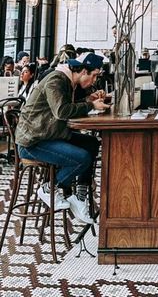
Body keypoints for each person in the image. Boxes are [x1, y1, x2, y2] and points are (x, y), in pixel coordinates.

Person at [15, 52, 111, 225]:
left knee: (91, 143)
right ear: (83, 71)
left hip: (49, 134)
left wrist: (88, 99)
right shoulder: (56, 80)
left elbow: (63, 106)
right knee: (82, 158)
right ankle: (49, 188)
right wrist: (90, 105)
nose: (95, 81)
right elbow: (61, 111)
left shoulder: (67, 81)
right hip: (32, 141)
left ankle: (79, 197)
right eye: (94, 75)